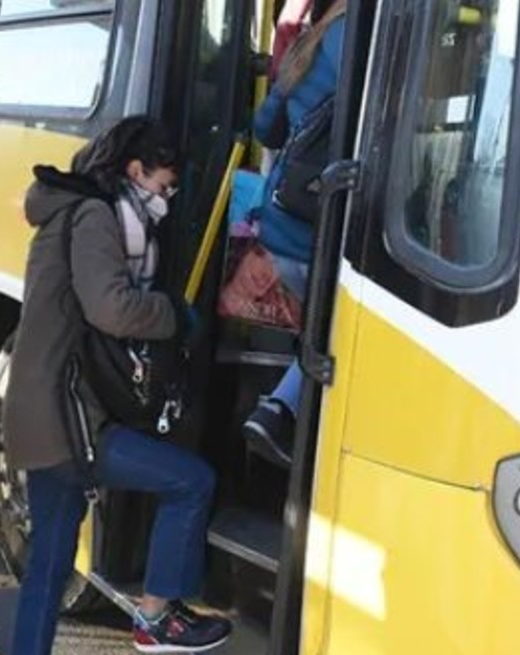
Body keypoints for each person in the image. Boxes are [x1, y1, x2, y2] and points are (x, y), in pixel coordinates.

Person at [4, 117, 233, 654]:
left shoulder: (71, 209)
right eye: (161, 185)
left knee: (49, 568)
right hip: (71, 419)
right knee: (191, 481)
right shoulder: (95, 217)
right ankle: (156, 617)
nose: (166, 198)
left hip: (46, 413)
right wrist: (174, 314)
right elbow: (111, 308)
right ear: (134, 169)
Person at [241, 0, 347, 467]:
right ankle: (276, 411)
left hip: (281, 222)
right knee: (334, 340)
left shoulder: (313, 39)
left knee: (321, 334)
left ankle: (278, 411)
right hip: (315, 235)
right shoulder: (363, 36)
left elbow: (266, 127)